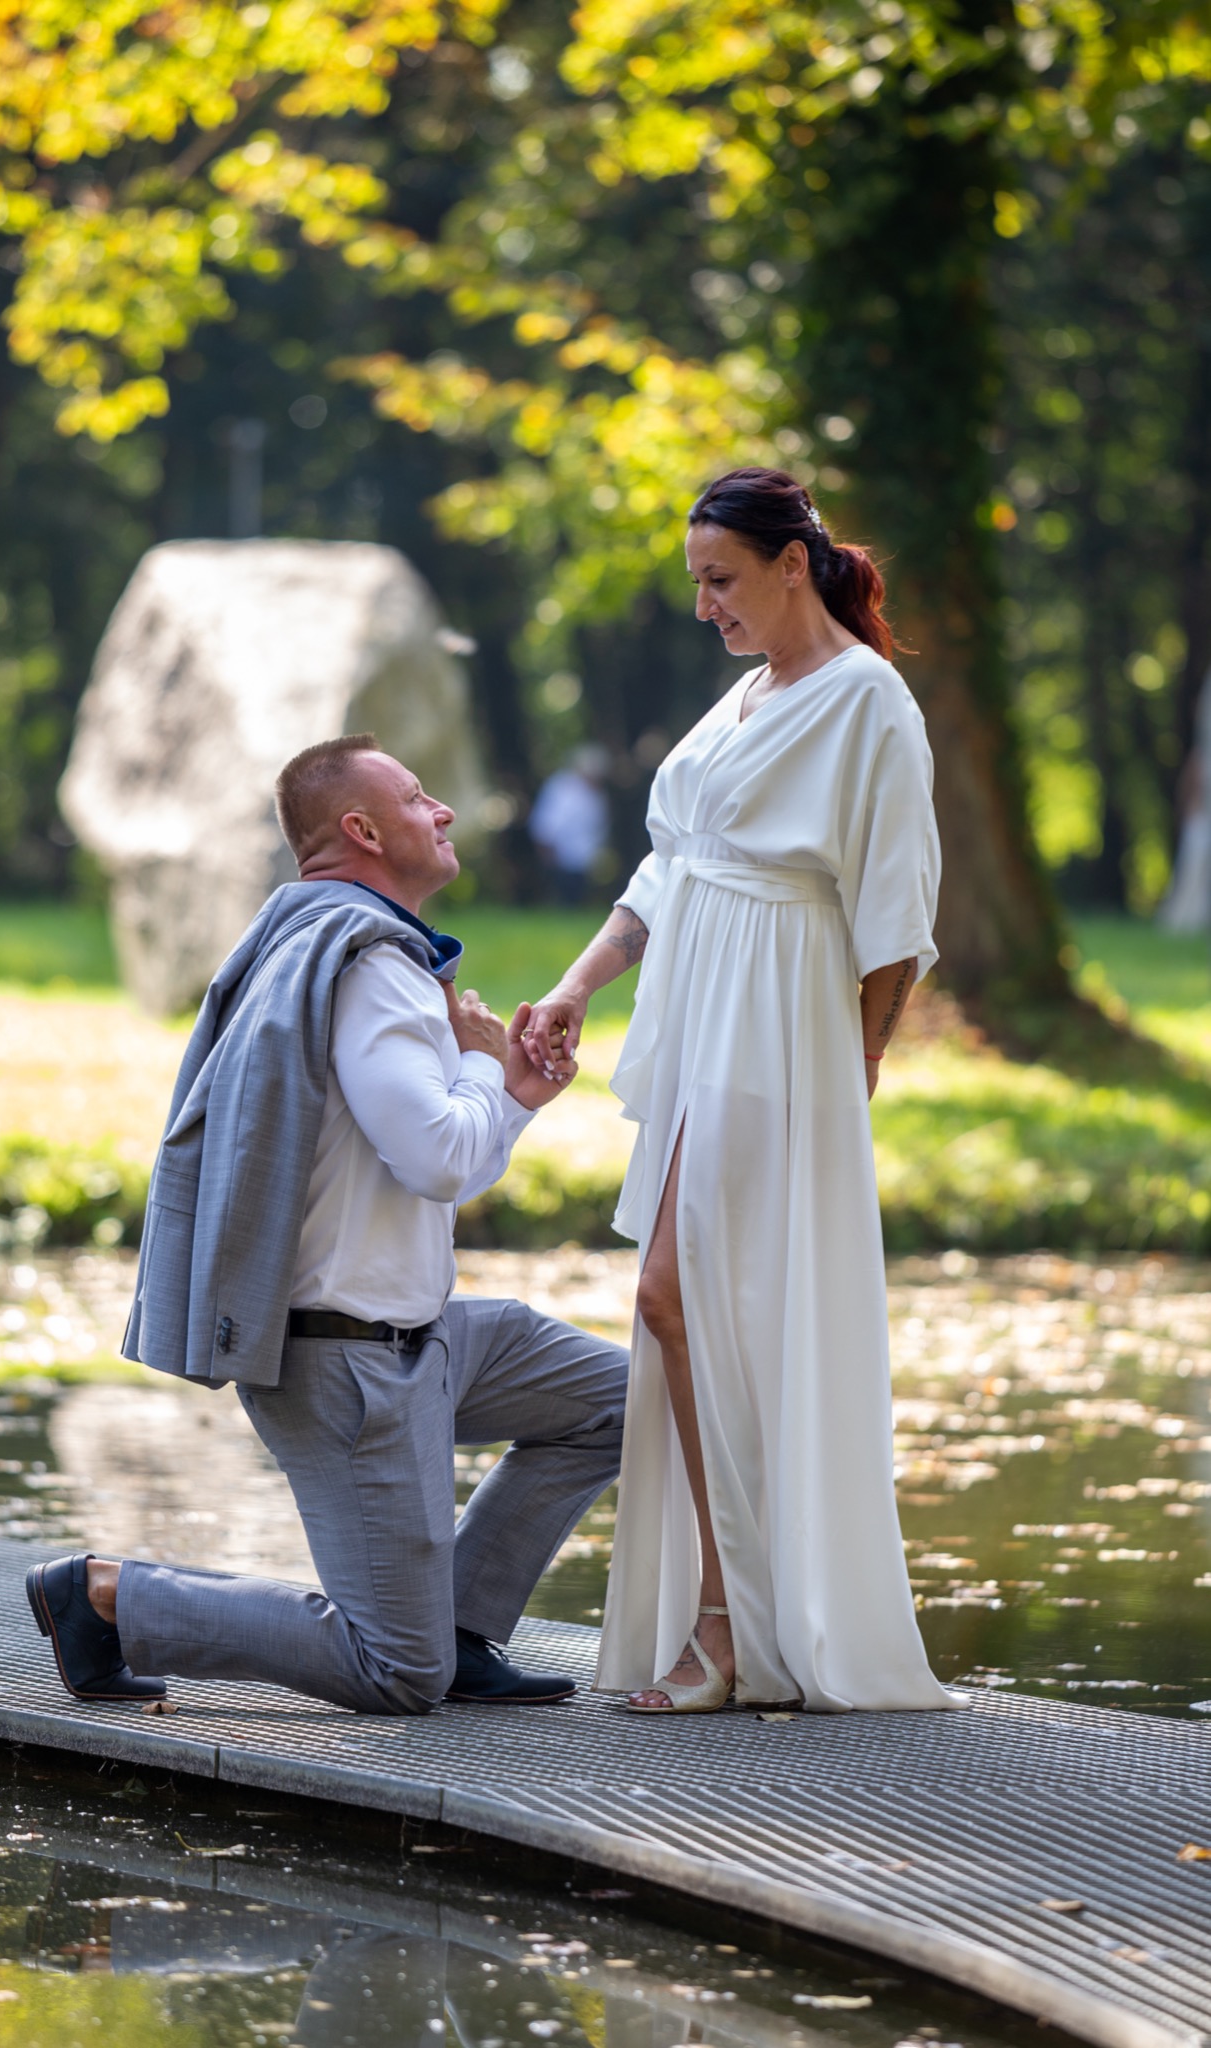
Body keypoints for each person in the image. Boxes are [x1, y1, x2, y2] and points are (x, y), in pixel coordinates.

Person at [26, 735, 628, 1716]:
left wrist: (509, 1091)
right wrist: (487, 1069)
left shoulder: (317, 939)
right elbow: (438, 1155)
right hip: (349, 1365)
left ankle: (462, 1626)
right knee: (396, 1672)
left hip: (425, 1338)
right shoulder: (372, 962)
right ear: (362, 829)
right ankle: (105, 1595)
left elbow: (432, 1152)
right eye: (418, 795)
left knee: (623, 1401)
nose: (442, 810)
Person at [524, 468, 958, 1716]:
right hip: (701, 1021)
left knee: (689, 1297)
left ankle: (736, 1623)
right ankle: (733, 1619)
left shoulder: (868, 701)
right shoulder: (745, 696)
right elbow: (675, 870)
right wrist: (577, 982)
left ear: (789, 564)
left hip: (781, 1033)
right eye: (696, 583)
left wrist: (857, 1067)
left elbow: (894, 920)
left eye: (721, 579)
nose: (706, 605)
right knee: (680, 1303)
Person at [528, 745, 611, 905]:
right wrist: (547, 850)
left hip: (585, 859)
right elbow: (548, 823)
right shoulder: (563, 789)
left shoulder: (596, 793)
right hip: (562, 856)